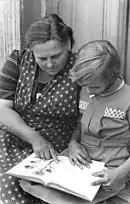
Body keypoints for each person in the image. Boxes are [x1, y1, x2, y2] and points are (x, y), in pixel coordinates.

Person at [0, 13, 80, 204]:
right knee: (9, 182)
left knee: (47, 191)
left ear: (68, 44)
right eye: (42, 58)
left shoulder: (81, 67)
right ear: (31, 51)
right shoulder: (18, 61)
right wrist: (35, 138)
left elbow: (87, 115)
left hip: (59, 146)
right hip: (14, 137)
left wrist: (74, 143)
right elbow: (3, 110)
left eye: (56, 55)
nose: (50, 64)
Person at [68, 40, 130, 203]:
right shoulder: (86, 89)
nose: (89, 91)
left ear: (112, 77)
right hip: (82, 169)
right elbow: (80, 124)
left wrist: (120, 173)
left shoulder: (127, 99)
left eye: (95, 87)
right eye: (84, 85)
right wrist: (73, 143)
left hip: (114, 172)